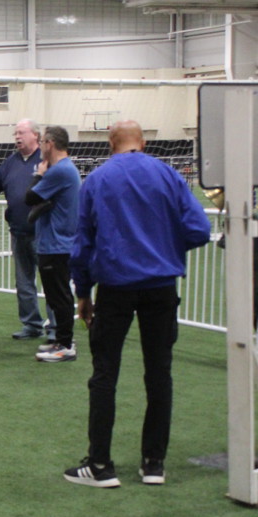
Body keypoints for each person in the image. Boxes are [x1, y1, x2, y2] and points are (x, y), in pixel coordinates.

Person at [65, 120, 211, 488]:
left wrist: (83, 293)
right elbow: (199, 230)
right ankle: (154, 463)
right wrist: (165, 247)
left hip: (115, 287)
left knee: (105, 374)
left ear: (109, 143)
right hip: (161, 286)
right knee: (159, 373)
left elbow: (83, 244)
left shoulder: (97, 179)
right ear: (143, 143)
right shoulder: (168, 175)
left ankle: (100, 464)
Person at [0, 119, 54, 341]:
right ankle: (32, 325)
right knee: (24, 282)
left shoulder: (47, 160)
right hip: (18, 232)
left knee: (51, 282)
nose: (17, 137)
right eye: (15, 133)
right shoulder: (10, 162)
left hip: (44, 233)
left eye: (21, 133)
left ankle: (56, 328)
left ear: (35, 135)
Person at [24, 125, 81, 363]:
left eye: (42, 142)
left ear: (50, 144)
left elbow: (30, 197)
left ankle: (65, 345)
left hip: (57, 244)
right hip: (56, 242)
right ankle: (61, 340)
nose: (40, 147)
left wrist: (39, 174)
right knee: (57, 296)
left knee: (60, 296)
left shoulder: (59, 171)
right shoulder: (64, 170)